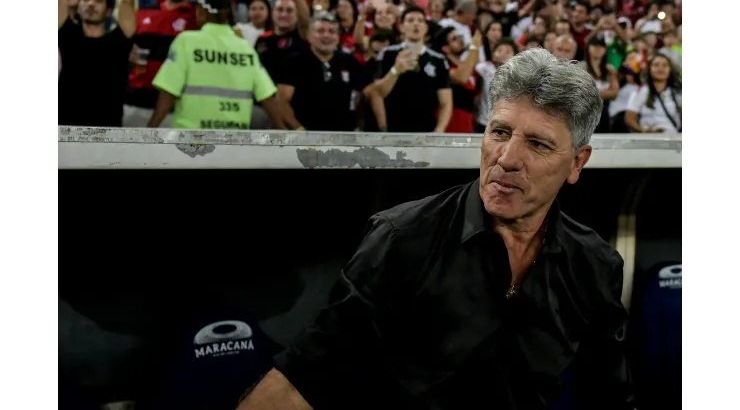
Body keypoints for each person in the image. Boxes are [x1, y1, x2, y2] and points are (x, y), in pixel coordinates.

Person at [237, 48, 634, 410]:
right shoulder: (402, 239)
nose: (507, 159)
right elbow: (302, 382)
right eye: (499, 132)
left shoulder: (594, 265)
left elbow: (609, 397)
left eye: (538, 144)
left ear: (577, 163)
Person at [147, 0, 285, 129]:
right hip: (234, 140)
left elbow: (168, 92)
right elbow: (267, 96)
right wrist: (283, 132)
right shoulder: (245, 48)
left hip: (191, 139)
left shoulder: (186, 41)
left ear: (203, 11)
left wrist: (150, 130)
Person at [278, 12, 367, 131]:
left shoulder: (350, 62)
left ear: (338, 36)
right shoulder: (294, 62)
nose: (326, 35)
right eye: (320, 31)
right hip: (305, 140)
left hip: (345, 139)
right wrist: (299, 131)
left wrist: (359, 126)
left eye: (331, 31)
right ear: (309, 35)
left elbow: (364, 96)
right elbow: (282, 102)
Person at [369, 5, 452, 133]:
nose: (416, 24)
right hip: (393, 131)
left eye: (420, 20)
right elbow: (378, 93)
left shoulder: (439, 60)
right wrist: (396, 70)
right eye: (410, 20)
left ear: (426, 28)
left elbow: (445, 102)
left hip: (426, 133)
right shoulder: (387, 54)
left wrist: (438, 131)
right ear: (401, 27)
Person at [58, 0, 136, 127]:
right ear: (78, 6)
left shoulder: (120, 40)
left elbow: (127, 1)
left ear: (108, 10)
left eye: (98, 0)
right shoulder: (67, 34)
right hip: (66, 129)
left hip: (108, 130)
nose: (91, 4)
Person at [124, 0, 197, 128]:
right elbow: (127, 45)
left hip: (174, 110)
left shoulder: (197, 15)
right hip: (135, 104)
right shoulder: (144, 11)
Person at [624, 53, 681, 134]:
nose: (660, 68)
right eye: (656, 65)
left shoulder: (678, 92)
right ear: (649, 69)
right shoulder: (641, 91)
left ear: (670, 70)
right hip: (649, 139)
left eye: (665, 65)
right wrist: (644, 132)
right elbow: (629, 119)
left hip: (673, 139)